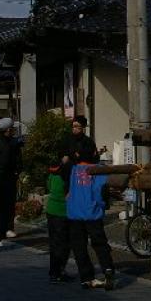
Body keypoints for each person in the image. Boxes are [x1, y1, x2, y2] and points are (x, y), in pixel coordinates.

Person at [59, 116, 114, 290]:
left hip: (75, 211)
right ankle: (108, 270)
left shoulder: (72, 169)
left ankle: (86, 277)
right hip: (92, 211)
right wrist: (103, 206)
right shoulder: (96, 171)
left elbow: (62, 179)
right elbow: (101, 194)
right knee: (99, 243)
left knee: (78, 245)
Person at [0, 117, 22, 246]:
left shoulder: (13, 142)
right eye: (12, 129)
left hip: (10, 177)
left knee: (9, 202)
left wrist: (18, 170)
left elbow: (18, 159)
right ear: (7, 129)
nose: (13, 131)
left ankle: (7, 228)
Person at [45, 150, 72, 284]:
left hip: (51, 210)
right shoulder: (67, 173)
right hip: (63, 211)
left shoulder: (52, 172)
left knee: (54, 243)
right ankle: (58, 272)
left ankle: (54, 271)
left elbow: (48, 186)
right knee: (64, 244)